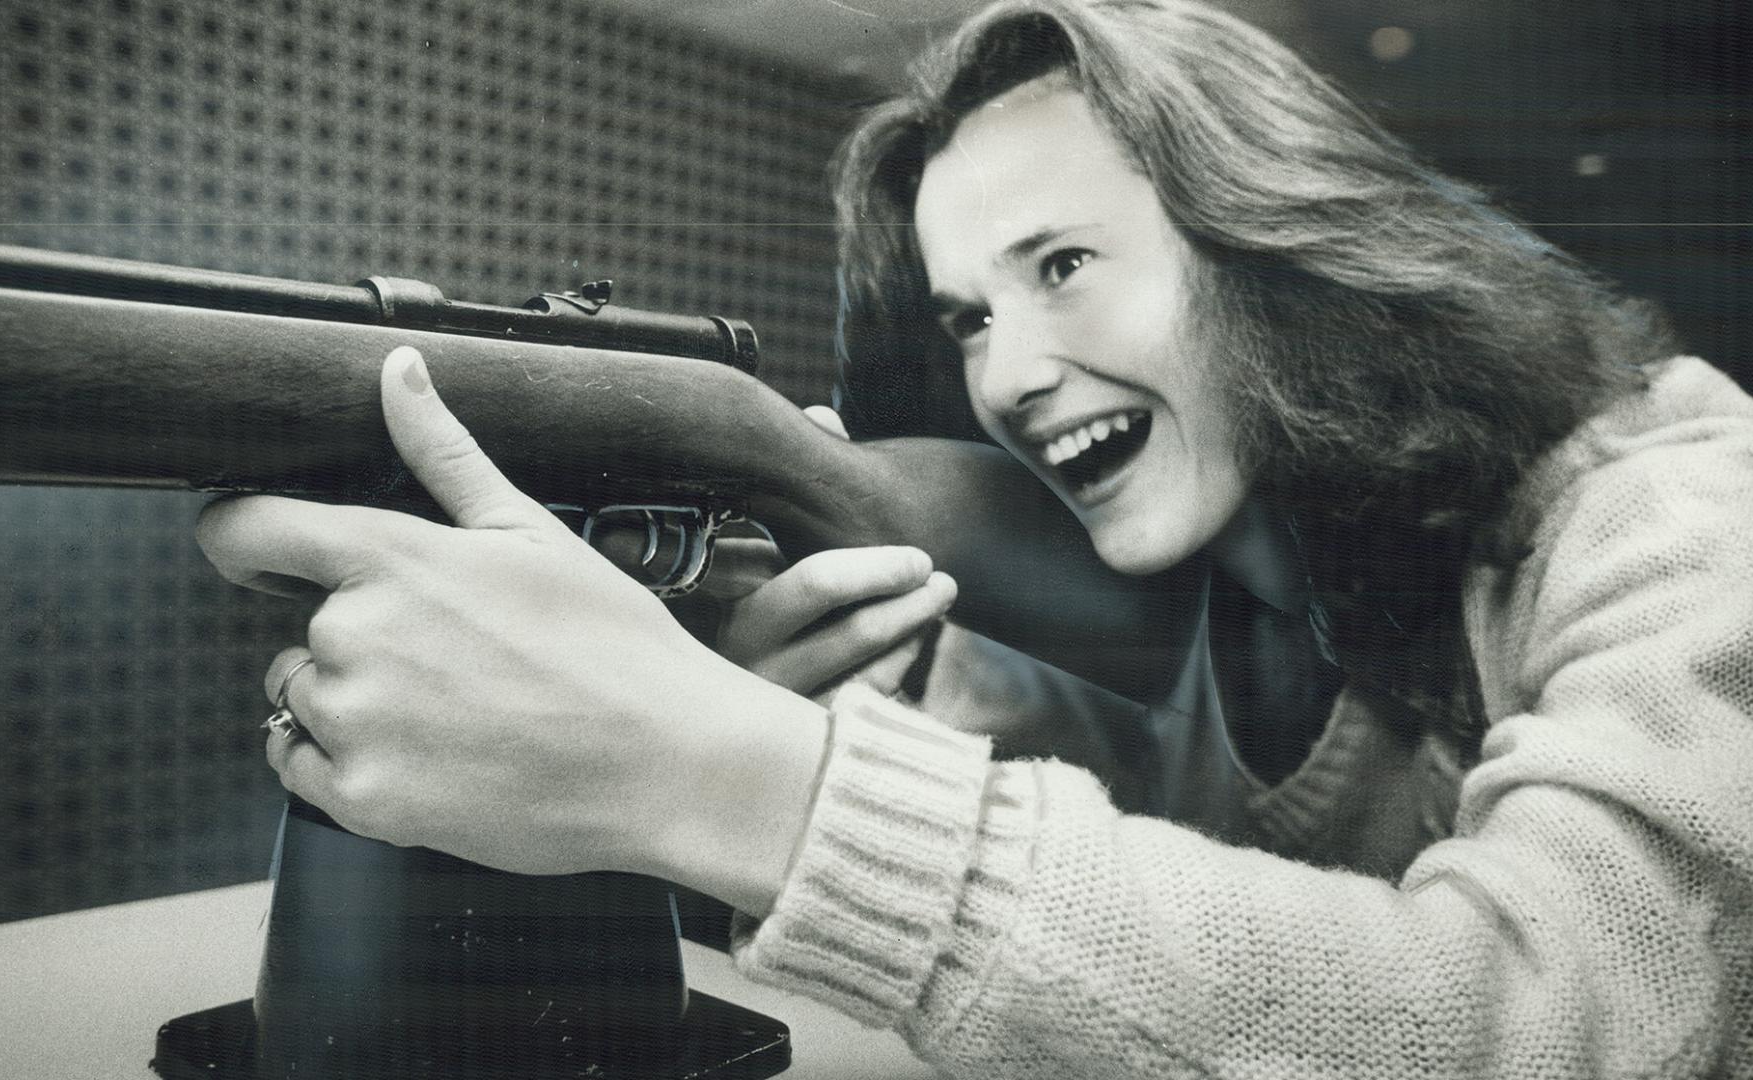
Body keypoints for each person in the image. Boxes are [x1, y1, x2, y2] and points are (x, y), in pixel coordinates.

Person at [195, 0, 1753, 1074]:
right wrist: (775, 707)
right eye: (968, 317)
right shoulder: (1262, 564)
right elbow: (1180, 883)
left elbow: (1556, 1030)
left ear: (1289, 246)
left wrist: (746, 787)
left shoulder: (1687, 508)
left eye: (1062, 264)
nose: (1002, 374)